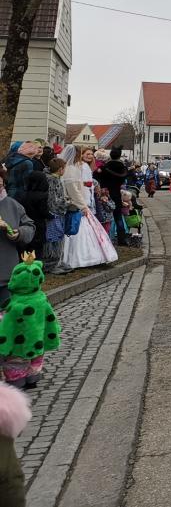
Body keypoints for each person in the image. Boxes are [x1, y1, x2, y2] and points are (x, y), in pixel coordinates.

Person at [0, 253, 60, 389]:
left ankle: (17, 382)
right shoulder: (41, 299)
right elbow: (50, 318)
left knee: (16, 363)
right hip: (37, 341)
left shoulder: (14, 306)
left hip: (18, 345)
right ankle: (32, 379)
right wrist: (53, 330)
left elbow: (7, 327)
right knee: (35, 360)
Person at [60, 147, 118, 270]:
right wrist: (83, 205)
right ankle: (78, 258)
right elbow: (74, 190)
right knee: (78, 230)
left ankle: (78, 257)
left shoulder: (72, 168)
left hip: (77, 202)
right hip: (76, 204)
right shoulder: (72, 169)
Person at [0, 169, 35, 306]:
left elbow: (30, 227)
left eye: (1, 184)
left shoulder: (12, 205)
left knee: (8, 319)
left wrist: (18, 233)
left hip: (6, 275)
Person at [95, 147, 129, 244]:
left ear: (110, 155)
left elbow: (97, 177)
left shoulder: (104, 167)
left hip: (105, 194)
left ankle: (105, 239)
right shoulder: (123, 168)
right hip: (117, 194)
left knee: (104, 218)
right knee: (118, 217)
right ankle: (122, 239)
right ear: (119, 155)